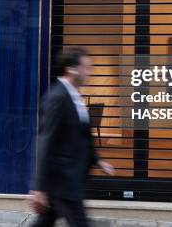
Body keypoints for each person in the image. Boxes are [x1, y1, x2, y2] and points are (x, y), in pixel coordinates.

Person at [29, 47, 114, 227]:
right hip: (63, 181)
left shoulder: (74, 95)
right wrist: (39, 187)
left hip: (66, 180)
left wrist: (97, 160)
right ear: (71, 69)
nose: (89, 72)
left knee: (44, 222)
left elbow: (81, 136)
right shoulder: (58, 97)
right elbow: (45, 141)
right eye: (86, 68)